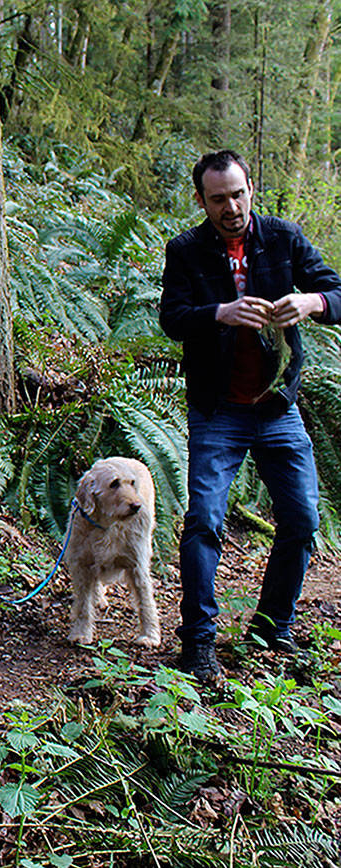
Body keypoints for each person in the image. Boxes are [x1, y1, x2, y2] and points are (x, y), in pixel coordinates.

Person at [159, 149, 341, 684]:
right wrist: (220, 312)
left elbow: (338, 293)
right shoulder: (187, 250)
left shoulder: (284, 238)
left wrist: (310, 303)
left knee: (303, 519)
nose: (231, 207)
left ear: (250, 189)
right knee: (204, 522)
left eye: (238, 195)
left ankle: (272, 625)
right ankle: (197, 642)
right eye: (218, 200)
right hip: (217, 409)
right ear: (202, 201)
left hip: (278, 407)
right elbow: (172, 317)